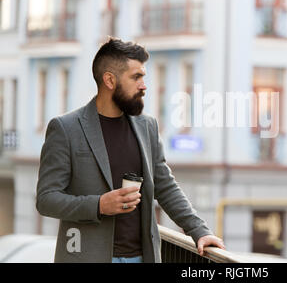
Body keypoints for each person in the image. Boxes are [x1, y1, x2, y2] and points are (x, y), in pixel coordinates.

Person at [36, 38, 225, 263]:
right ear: (110, 80)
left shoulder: (147, 126)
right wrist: (99, 205)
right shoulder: (66, 128)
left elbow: (165, 186)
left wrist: (200, 230)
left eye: (143, 77)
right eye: (136, 77)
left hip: (141, 258)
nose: (144, 85)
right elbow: (46, 199)